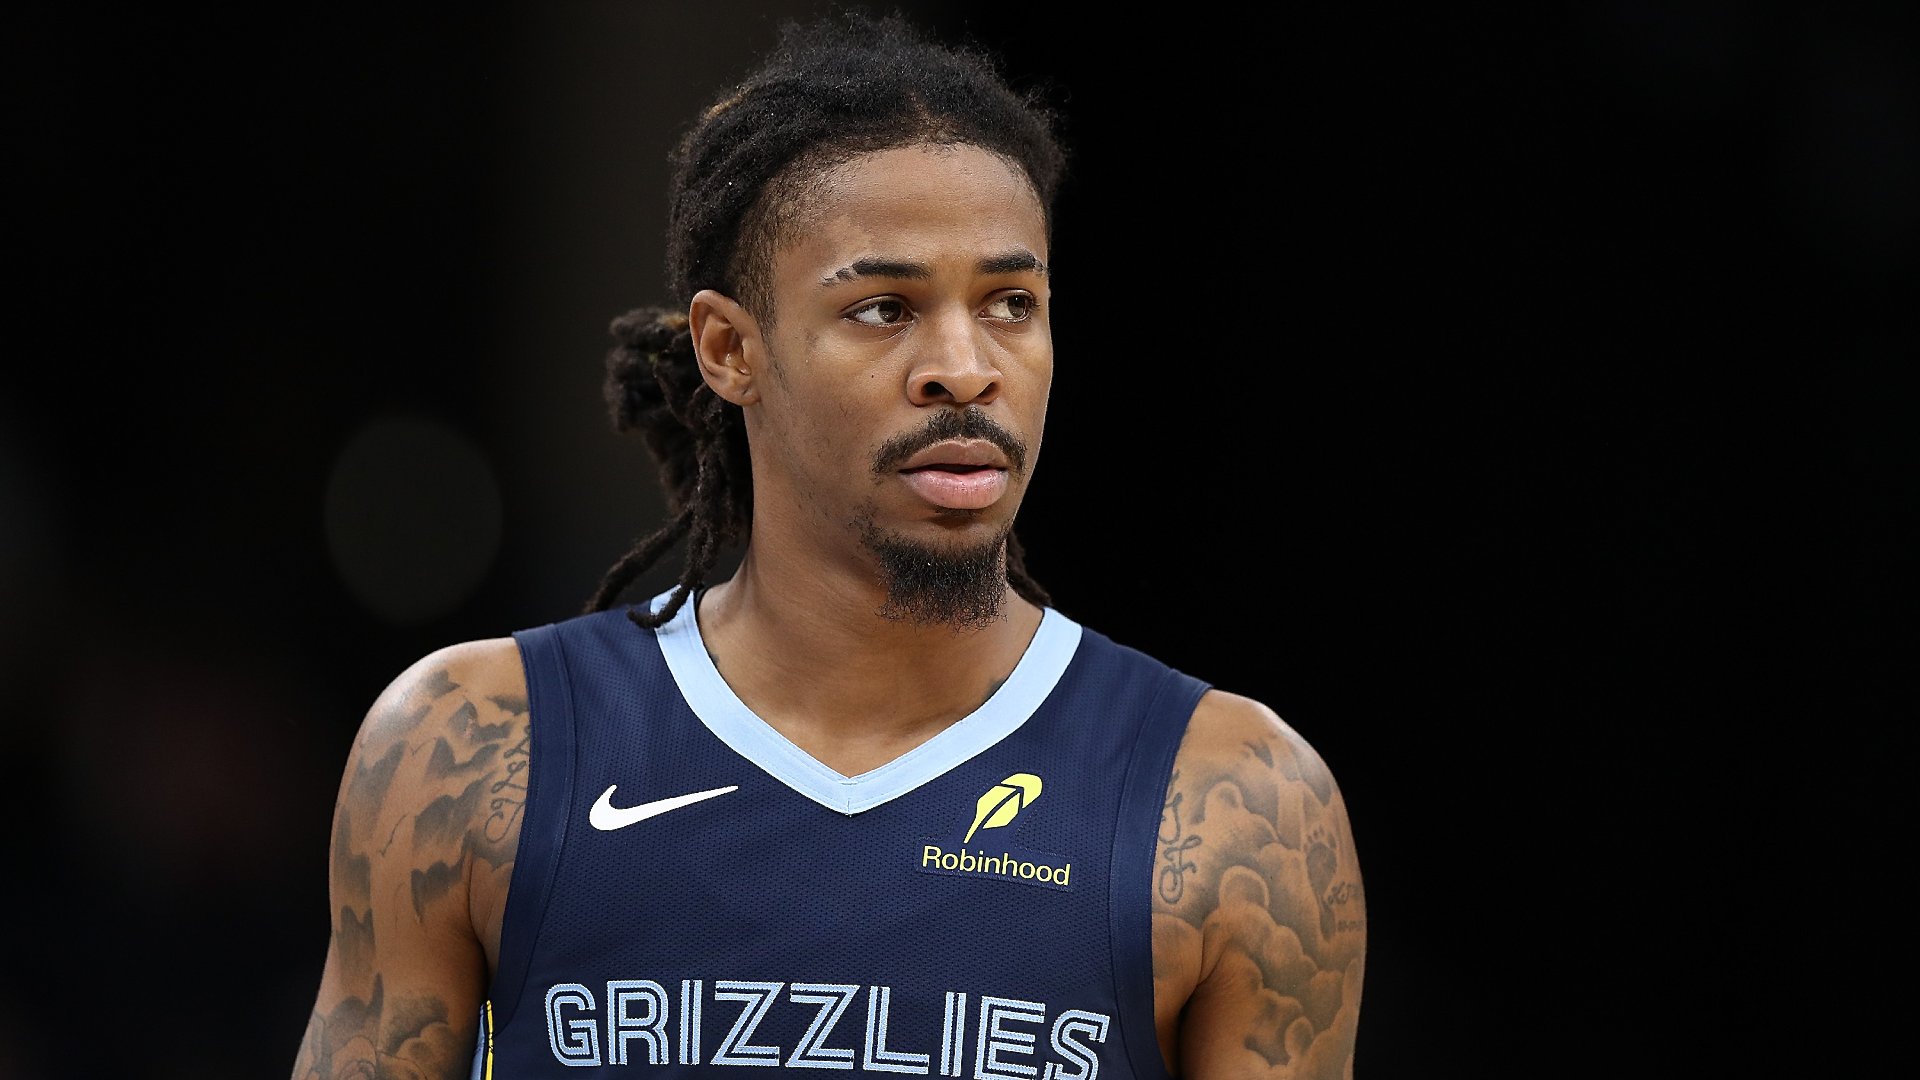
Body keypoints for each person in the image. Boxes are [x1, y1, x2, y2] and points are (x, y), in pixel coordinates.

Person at [292, 11, 1365, 1078]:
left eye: (1010, 303)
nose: (965, 368)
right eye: (885, 308)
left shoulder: (1239, 800)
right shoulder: (472, 747)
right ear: (729, 348)